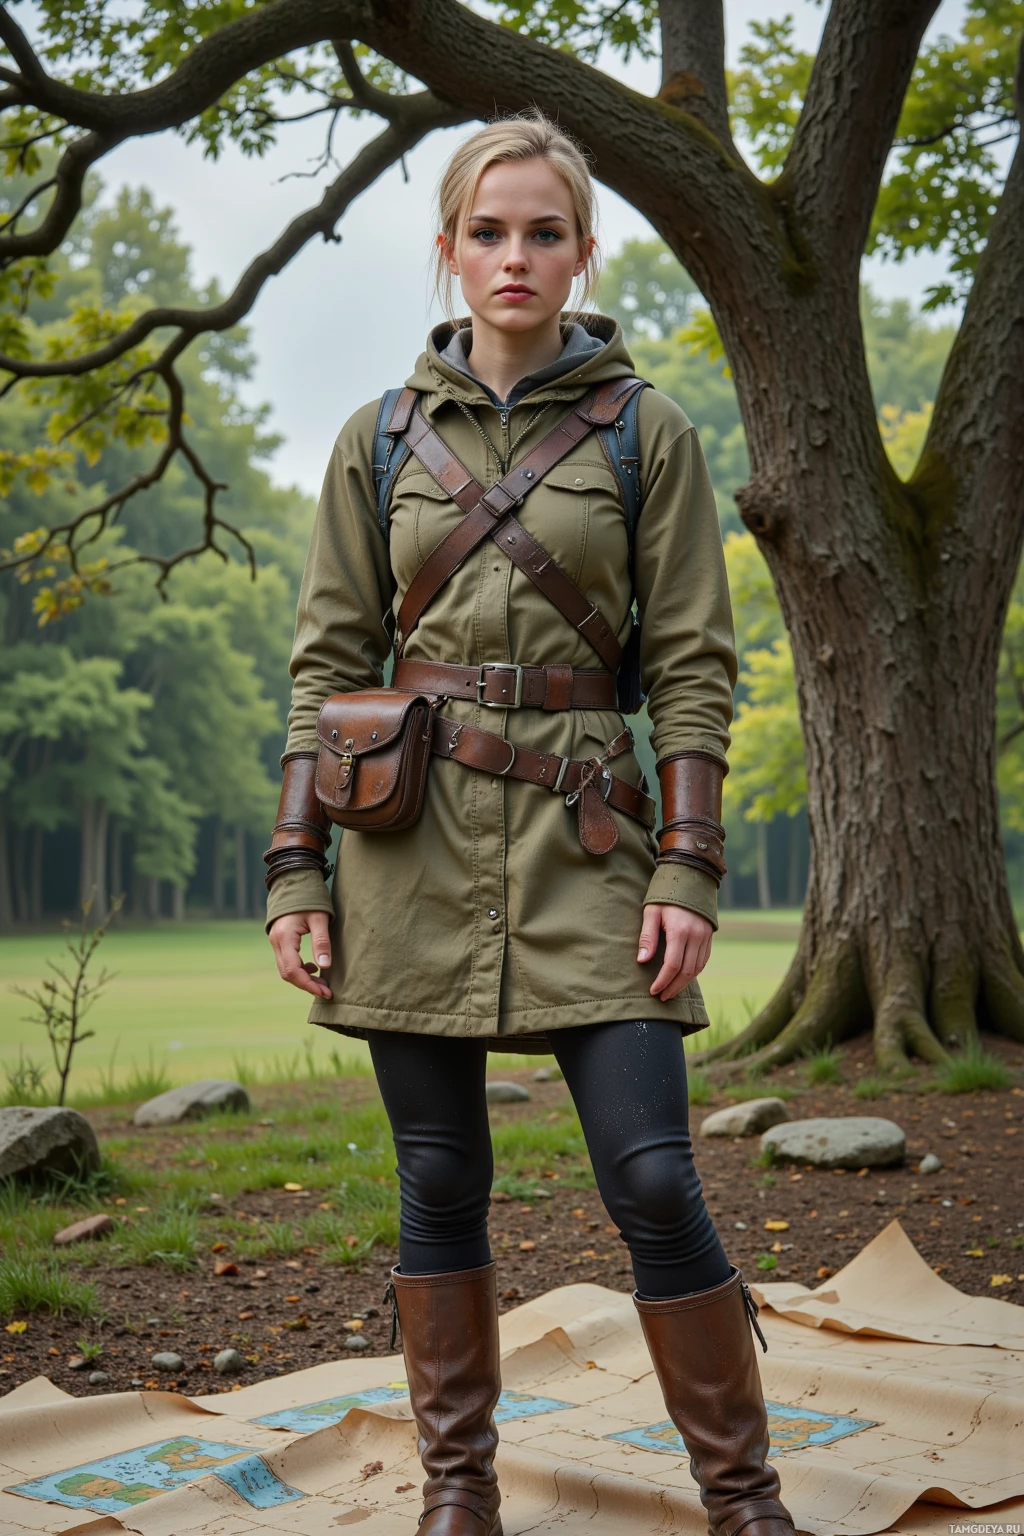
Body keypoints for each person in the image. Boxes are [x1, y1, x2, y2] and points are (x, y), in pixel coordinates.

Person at [264, 113, 795, 1536]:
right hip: (408, 855)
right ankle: (460, 1492)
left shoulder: (647, 432)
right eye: (488, 232)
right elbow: (327, 669)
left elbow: (693, 667)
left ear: (582, 251)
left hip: (594, 848)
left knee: (654, 1177)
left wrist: (690, 866)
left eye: (543, 232)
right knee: (438, 1176)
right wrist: (296, 868)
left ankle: (745, 1500)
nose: (516, 257)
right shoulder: (377, 440)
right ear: (448, 250)